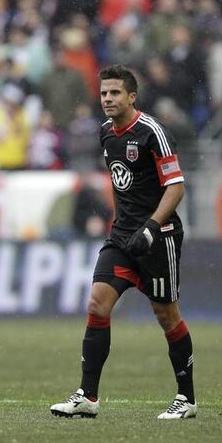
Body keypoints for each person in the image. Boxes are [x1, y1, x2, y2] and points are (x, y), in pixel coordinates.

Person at [49, 65, 196, 420]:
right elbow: (122, 184)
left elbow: (176, 187)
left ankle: (187, 398)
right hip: (122, 237)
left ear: (132, 97)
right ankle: (88, 396)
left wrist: (151, 227)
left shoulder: (153, 133)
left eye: (115, 93)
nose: (107, 99)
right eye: (103, 93)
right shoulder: (105, 134)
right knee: (97, 304)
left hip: (159, 237)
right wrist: (124, 224)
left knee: (167, 316)